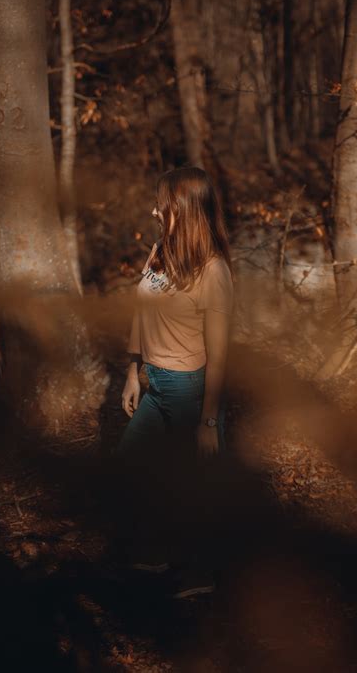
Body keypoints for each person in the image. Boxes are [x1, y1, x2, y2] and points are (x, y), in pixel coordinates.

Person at [117, 166, 234, 597]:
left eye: (161, 206)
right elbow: (140, 311)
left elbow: (219, 354)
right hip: (156, 384)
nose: (153, 210)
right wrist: (133, 370)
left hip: (191, 389)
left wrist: (207, 422)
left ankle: (203, 572)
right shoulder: (160, 250)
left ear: (183, 210)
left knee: (196, 484)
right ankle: (160, 552)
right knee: (131, 463)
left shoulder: (214, 272)